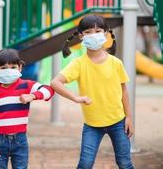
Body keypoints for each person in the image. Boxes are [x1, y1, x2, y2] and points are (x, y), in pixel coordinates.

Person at [51, 14, 134, 169]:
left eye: (98, 31)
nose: (93, 35)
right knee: (85, 164)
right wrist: (75, 98)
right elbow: (55, 82)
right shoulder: (78, 64)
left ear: (106, 33)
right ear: (81, 36)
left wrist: (129, 117)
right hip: (92, 125)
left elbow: (124, 91)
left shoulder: (116, 63)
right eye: (88, 31)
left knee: (124, 163)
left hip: (118, 122)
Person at [0, 49, 54, 169]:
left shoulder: (27, 86)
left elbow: (49, 90)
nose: (8, 71)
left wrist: (32, 95)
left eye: (13, 67)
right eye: (4, 68)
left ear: (20, 67)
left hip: (20, 140)